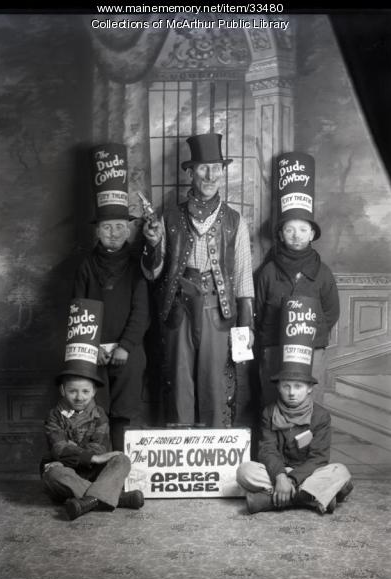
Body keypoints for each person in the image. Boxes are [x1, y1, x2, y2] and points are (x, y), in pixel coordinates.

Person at [141, 133, 255, 428]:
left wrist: (245, 331)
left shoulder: (236, 221)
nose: (210, 175)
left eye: (216, 168)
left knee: (215, 384)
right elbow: (152, 273)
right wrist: (153, 244)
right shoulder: (168, 217)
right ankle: (182, 457)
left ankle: (217, 459)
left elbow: (243, 281)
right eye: (203, 168)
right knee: (179, 383)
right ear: (191, 172)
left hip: (219, 313)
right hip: (178, 310)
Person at [236, 294, 352, 515]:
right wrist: (280, 476)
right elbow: (267, 450)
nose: (291, 393)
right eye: (286, 386)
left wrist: (291, 479)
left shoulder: (320, 416)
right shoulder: (269, 412)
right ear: (278, 386)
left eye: (298, 387)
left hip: (307, 473)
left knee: (340, 471)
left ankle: (273, 500)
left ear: (309, 388)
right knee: (245, 471)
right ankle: (311, 497)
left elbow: (318, 458)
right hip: (277, 471)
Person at [73, 143, 150, 451]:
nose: (115, 233)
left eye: (120, 226)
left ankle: (121, 460)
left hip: (128, 350)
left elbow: (141, 310)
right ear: (97, 230)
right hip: (94, 350)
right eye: (108, 227)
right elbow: (80, 308)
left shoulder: (137, 265)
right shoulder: (87, 266)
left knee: (124, 410)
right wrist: (93, 347)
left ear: (129, 230)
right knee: (95, 407)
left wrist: (125, 347)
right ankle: (95, 461)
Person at [256, 152, 339, 405]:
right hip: (273, 348)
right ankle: (272, 447)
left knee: (310, 409)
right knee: (273, 406)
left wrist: (309, 335)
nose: (296, 235)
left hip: (312, 350)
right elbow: (257, 311)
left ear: (312, 234)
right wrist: (271, 339)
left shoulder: (322, 272)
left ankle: (308, 445)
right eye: (289, 229)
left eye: (303, 229)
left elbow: (331, 312)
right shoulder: (268, 272)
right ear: (280, 234)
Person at [40, 373, 144, 521]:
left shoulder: (99, 414)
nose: (79, 397)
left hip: (93, 471)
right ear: (62, 390)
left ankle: (88, 501)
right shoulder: (54, 416)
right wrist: (92, 457)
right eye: (72, 391)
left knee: (122, 459)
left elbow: (99, 448)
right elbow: (59, 448)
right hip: (67, 472)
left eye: (85, 391)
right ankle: (117, 498)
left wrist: (74, 449)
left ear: (94, 391)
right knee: (53, 474)